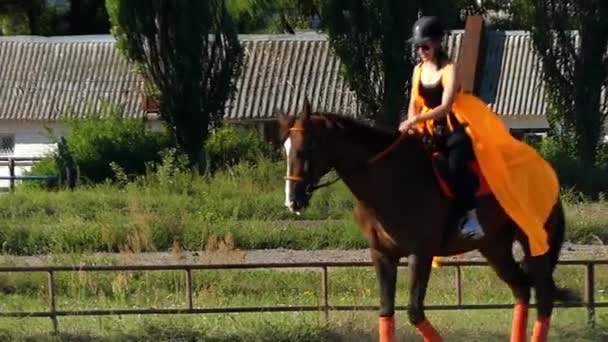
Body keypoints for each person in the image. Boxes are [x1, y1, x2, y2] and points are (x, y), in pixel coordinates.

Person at [398, 16, 484, 239]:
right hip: (426, 131)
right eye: (417, 47)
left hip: (453, 131)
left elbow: (445, 107)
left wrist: (415, 121)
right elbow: (414, 103)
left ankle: (471, 217)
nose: (421, 51)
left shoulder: (449, 70)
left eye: (425, 46)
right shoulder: (418, 69)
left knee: (455, 168)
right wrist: (411, 125)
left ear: (437, 44)